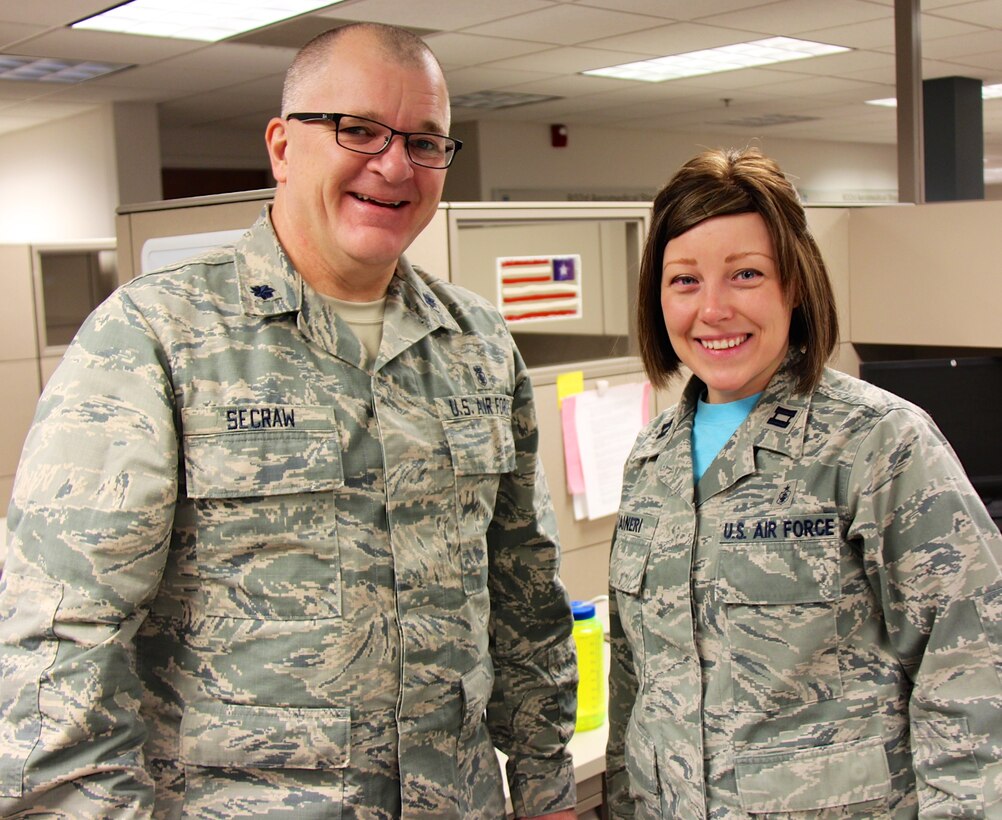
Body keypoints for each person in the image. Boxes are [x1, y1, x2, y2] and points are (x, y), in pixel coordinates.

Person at [0, 23, 578, 819]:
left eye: (425, 141)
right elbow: (58, 643)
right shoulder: (154, 338)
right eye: (360, 130)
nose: (394, 165)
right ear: (281, 145)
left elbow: (523, 589)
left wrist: (547, 784)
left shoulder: (476, 343)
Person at [605, 147, 1002, 818]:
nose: (713, 309)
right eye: (684, 281)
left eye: (746, 274)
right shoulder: (651, 460)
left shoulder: (879, 442)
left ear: (796, 284)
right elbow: (632, 686)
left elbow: (975, 667)